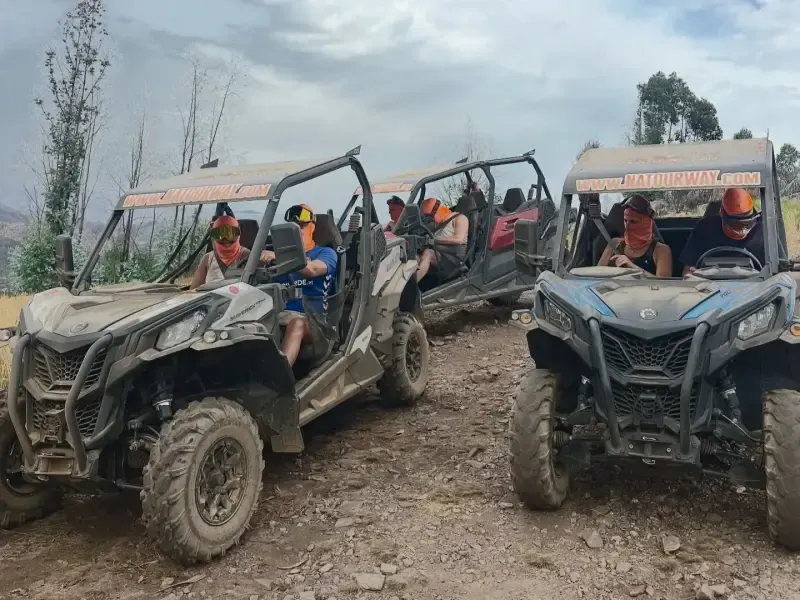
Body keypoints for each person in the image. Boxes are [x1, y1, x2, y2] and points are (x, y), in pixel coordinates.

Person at [261, 204, 338, 367]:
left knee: (297, 324)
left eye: (302, 226)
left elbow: (312, 269)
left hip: (315, 323)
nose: (298, 231)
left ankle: (279, 379)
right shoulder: (275, 258)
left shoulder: (326, 253)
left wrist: (278, 257)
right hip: (278, 316)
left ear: (312, 227)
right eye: (294, 228)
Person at [680, 188, 763, 275]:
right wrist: (692, 275)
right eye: (735, 225)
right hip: (707, 285)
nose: (742, 229)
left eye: (748, 223)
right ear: (722, 216)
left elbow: (776, 272)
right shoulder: (704, 229)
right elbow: (687, 271)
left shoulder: (763, 232)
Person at [598, 195, 672, 277]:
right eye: (626, 221)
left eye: (633, 221)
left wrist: (633, 267)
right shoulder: (614, 244)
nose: (627, 226)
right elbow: (597, 275)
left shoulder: (661, 250)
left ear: (646, 223)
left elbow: (665, 285)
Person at [191, 215, 272, 289]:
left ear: (238, 234)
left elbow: (263, 281)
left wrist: (270, 255)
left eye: (230, 234)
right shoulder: (208, 258)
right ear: (214, 236)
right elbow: (193, 291)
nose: (226, 239)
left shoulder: (249, 256)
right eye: (220, 235)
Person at [415, 197, 469, 283]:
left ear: (437, 211)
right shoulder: (439, 225)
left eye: (429, 216)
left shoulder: (460, 219)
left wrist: (434, 240)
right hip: (440, 257)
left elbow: (459, 239)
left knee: (428, 253)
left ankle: (412, 285)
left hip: (453, 260)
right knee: (415, 257)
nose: (430, 220)